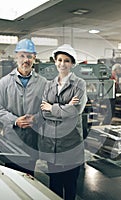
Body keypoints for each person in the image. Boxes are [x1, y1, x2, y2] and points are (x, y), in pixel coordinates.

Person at [0, 38, 47, 176]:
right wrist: (15, 120)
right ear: (17, 57)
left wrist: (35, 119)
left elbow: (47, 110)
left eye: (29, 56)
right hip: (11, 141)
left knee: (29, 179)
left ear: (34, 58)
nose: (25, 60)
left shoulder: (43, 83)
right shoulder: (5, 82)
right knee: (12, 178)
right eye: (22, 56)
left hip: (32, 141)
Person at [39, 44, 87, 200]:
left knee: (70, 185)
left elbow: (76, 111)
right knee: (54, 185)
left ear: (72, 64)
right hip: (51, 144)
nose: (62, 63)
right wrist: (65, 108)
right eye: (59, 60)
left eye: (66, 60)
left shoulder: (79, 84)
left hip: (70, 143)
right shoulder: (48, 85)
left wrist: (52, 107)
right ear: (55, 61)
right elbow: (43, 112)